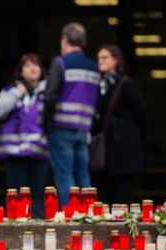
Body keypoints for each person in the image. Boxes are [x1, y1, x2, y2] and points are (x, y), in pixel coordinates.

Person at [43, 22, 100, 208]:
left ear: (64, 40)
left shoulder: (60, 62)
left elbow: (50, 96)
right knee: (83, 175)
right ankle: (89, 215)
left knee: (65, 175)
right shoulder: (93, 67)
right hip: (83, 129)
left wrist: (46, 121)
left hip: (61, 128)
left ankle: (71, 216)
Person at [0, 53, 49, 219]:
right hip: (14, 152)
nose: (32, 68)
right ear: (20, 71)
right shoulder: (10, 90)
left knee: (38, 192)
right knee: (16, 193)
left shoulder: (48, 92)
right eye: (28, 65)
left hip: (40, 151)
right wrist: (17, 92)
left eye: (36, 65)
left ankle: (38, 227)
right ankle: (16, 227)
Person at [91, 44, 148, 204]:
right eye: (98, 58)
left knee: (123, 191)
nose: (100, 61)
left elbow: (142, 115)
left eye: (105, 57)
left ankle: (123, 226)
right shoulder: (99, 85)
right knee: (104, 191)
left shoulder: (126, 84)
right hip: (105, 150)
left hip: (123, 149)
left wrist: (133, 139)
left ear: (116, 60)